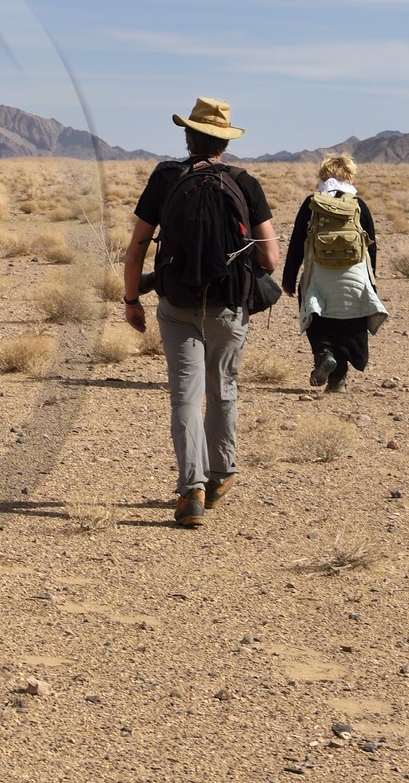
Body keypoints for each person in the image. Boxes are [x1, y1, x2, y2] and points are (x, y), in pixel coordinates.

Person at [122, 98, 279, 529]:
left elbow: (137, 246)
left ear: (188, 137)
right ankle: (221, 475)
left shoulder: (166, 177)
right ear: (224, 143)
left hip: (175, 305)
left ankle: (190, 489)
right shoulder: (244, 182)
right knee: (223, 387)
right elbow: (269, 257)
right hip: (228, 305)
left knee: (185, 397)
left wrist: (131, 299)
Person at [280, 154, 386, 394]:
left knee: (316, 312)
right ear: (349, 175)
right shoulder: (358, 205)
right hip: (355, 275)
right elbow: (372, 245)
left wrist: (289, 279)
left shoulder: (312, 203)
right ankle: (338, 380)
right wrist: (372, 280)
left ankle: (324, 354)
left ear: (323, 174)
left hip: (319, 275)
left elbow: (296, 244)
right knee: (350, 320)